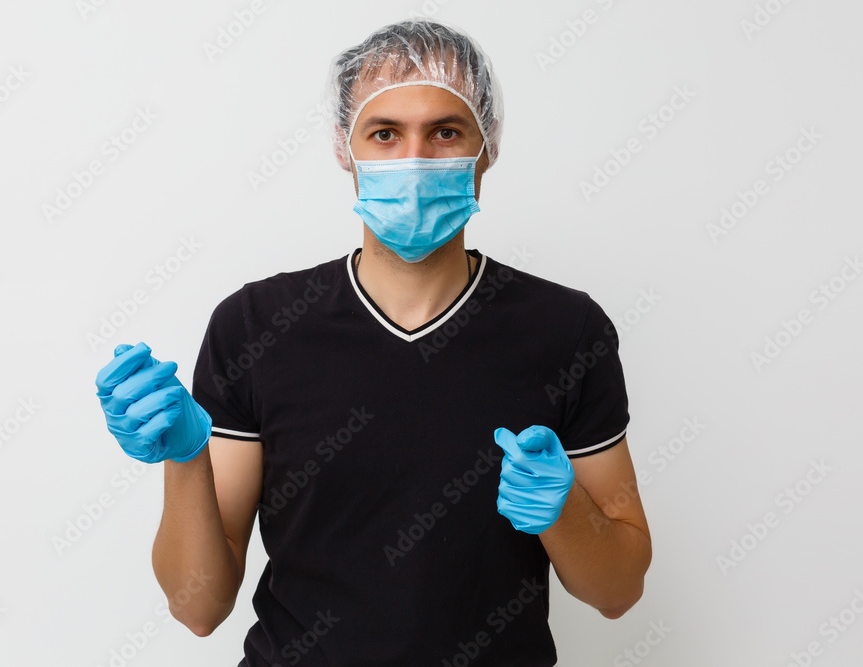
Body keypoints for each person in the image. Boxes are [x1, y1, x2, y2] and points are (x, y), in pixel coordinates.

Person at [95, 19, 651, 666]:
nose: (414, 160)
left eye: (446, 132)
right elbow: (199, 609)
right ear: (345, 148)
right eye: (385, 134)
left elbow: (618, 591)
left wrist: (564, 511)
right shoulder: (255, 326)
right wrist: (186, 459)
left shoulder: (565, 330)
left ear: (487, 146)